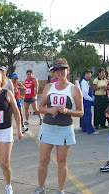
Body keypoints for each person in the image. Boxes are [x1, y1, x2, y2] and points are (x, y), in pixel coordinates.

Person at [34, 59, 83, 194]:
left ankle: (60, 190)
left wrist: (67, 111)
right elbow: (41, 107)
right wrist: (49, 110)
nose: (60, 72)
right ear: (53, 73)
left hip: (64, 129)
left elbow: (81, 112)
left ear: (68, 71)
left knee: (62, 162)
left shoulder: (74, 89)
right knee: (43, 160)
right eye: (57, 70)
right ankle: (40, 187)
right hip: (48, 127)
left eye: (63, 69)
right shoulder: (49, 87)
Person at [80, 70, 99, 135]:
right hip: (86, 101)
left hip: (85, 101)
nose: (90, 75)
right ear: (86, 74)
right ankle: (90, 130)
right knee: (88, 116)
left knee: (85, 116)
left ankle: (84, 128)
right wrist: (91, 99)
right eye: (90, 74)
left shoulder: (85, 81)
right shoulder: (84, 82)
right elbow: (85, 94)